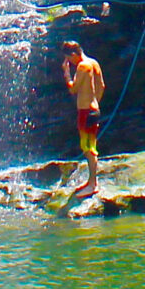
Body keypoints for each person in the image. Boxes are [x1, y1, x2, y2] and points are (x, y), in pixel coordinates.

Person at [62, 40, 106, 198]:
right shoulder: (94, 62)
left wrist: (67, 74)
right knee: (90, 145)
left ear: (73, 54)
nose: (70, 63)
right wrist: (95, 103)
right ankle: (91, 181)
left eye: (69, 59)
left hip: (85, 112)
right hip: (94, 109)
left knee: (88, 148)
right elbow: (101, 86)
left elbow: (73, 89)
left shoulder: (82, 66)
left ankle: (93, 184)